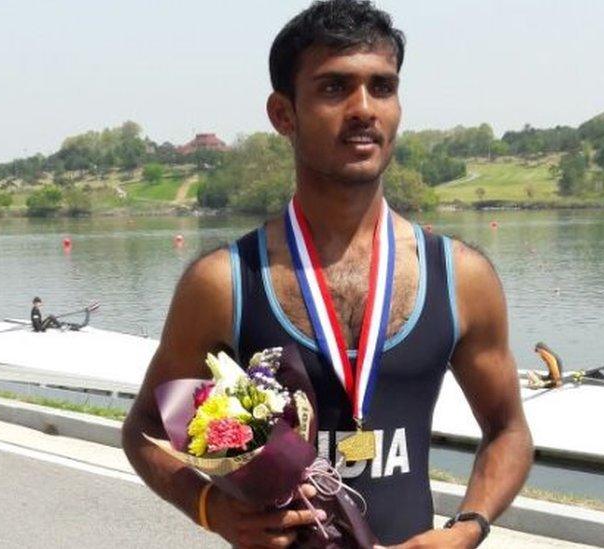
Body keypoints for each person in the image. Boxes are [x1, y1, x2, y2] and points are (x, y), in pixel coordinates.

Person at [121, 1, 533, 546]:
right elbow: (145, 428)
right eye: (335, 88)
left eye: (382, 87)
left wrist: (467, 529)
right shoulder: (225, 283)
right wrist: (210, 507)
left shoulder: (461, 277)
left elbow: (508, 432)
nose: (364, 108)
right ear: (283, 114)